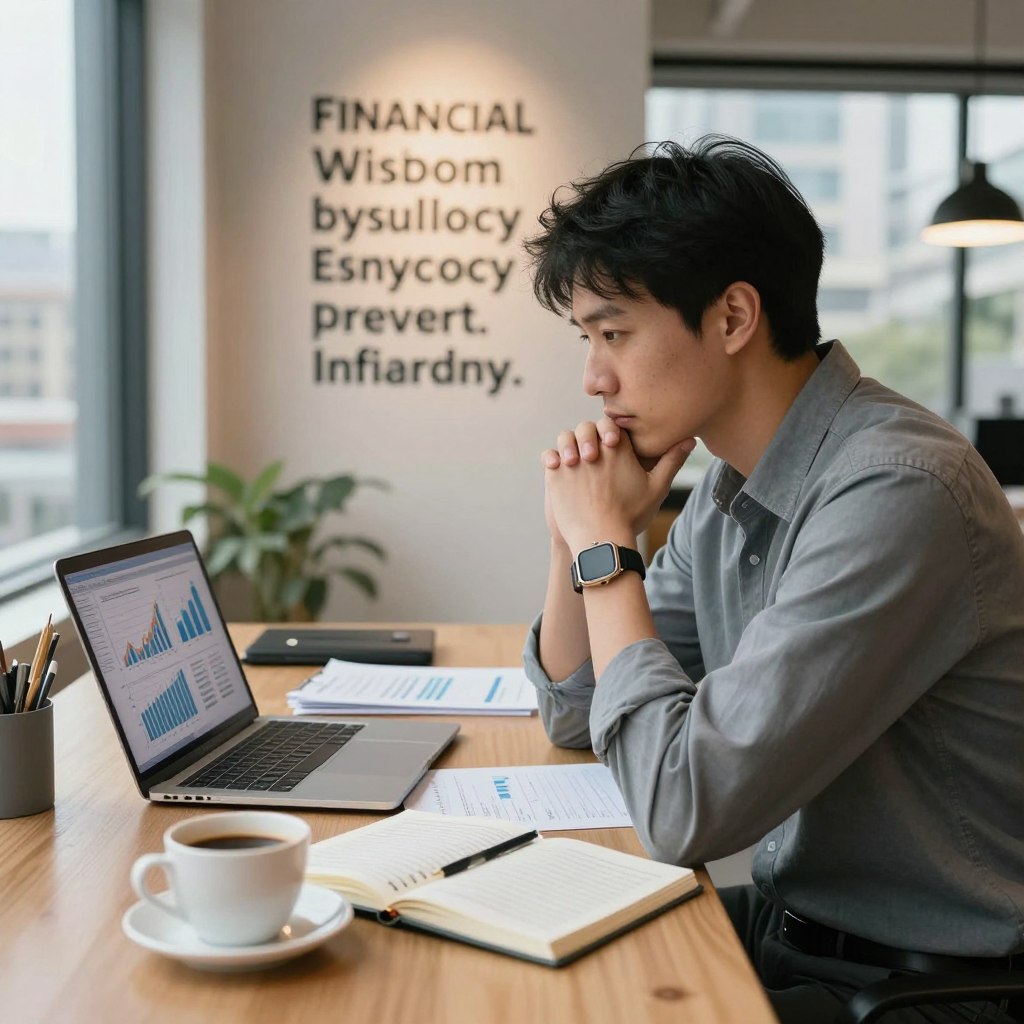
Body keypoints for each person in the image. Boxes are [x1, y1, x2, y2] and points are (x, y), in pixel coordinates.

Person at [520, 137, 1024, 1024]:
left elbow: (683, 807)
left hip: (927, 987)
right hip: (798, 932)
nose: (595, 378)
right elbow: (577, 711)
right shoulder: (730, 487)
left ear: (732, 318)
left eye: (614, 333)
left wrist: (608, 548)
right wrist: (581, 536)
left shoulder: (896, 491)